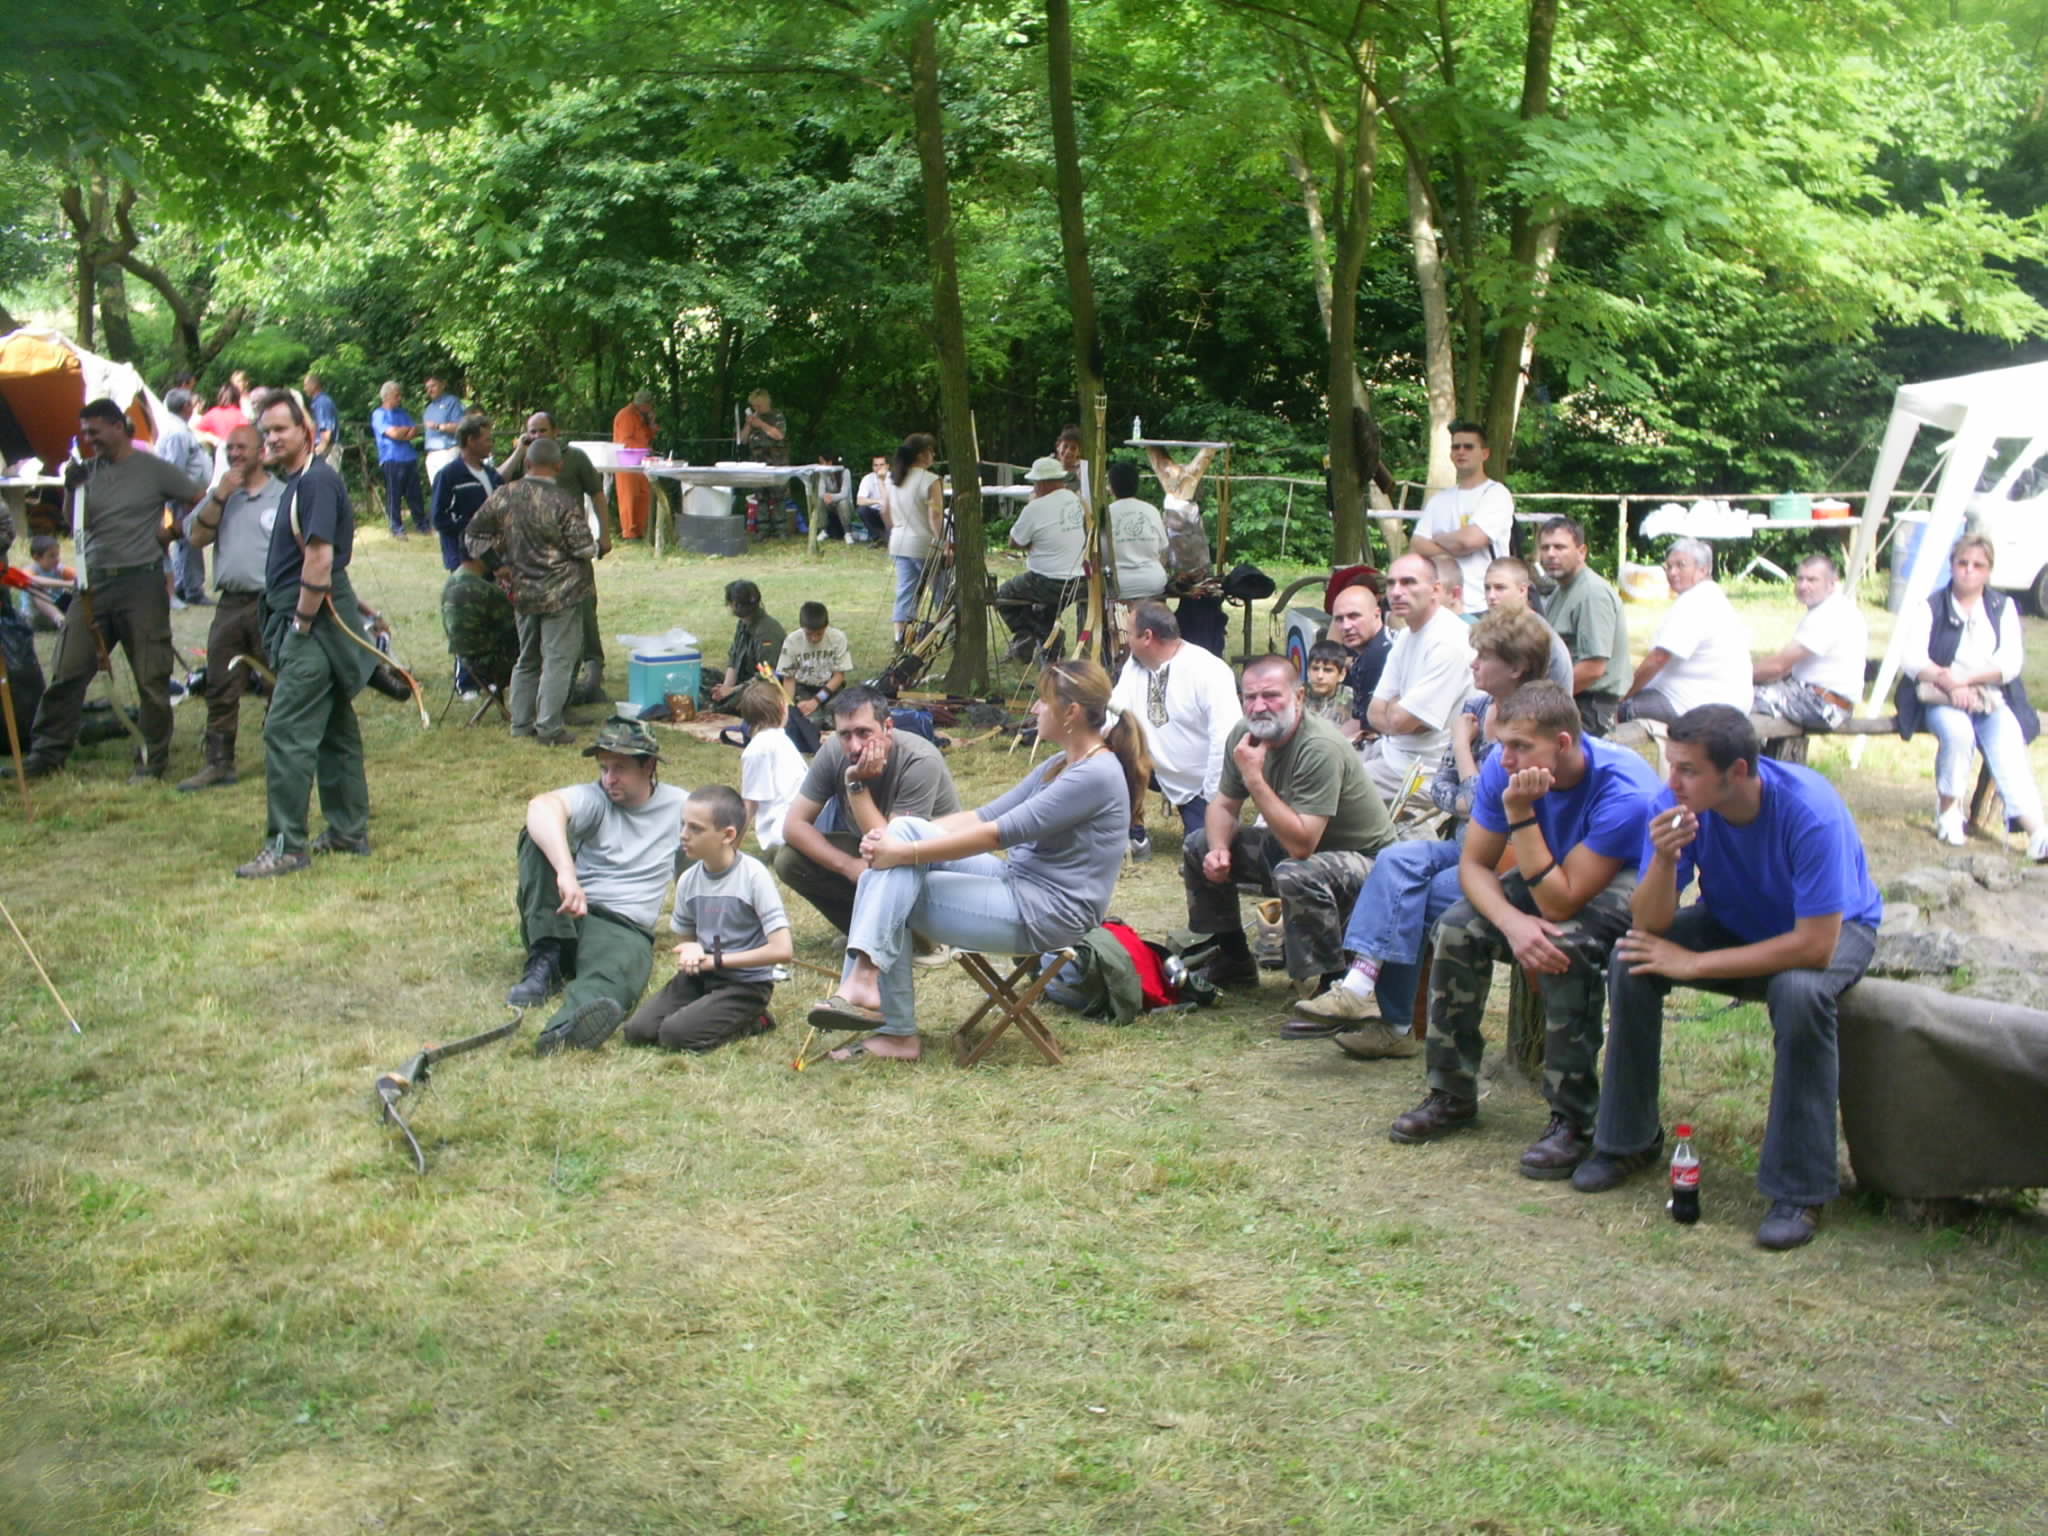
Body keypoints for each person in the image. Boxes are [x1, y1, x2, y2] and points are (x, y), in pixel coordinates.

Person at [1580, 705, 1882, 1251]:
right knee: (1631, 958)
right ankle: (1626, 1141)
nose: (1672, 781)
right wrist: (1664, 861)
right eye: (1671, 765)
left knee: (1798, 991)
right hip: (1735, 918)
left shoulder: (1809, 811)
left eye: (1688, 770)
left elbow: (1815, 946)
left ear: (1737, 771)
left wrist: (1693, 964)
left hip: (1834, 929)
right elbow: (1649, 926)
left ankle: (1800, 1190)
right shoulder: (1674, 805)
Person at [1383, 680, 1663, 1176]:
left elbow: (1561, 901)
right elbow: (1474, 867)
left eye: (1520, 746)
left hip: (1621, 880)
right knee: (1456, 929)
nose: (1504, 758)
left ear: (1562, 743)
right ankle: (1451, 1092)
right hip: (1549, 864)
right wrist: (1512, 923)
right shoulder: (1505, 765)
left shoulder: (1625, 790)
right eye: (1502, 744)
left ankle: (1573, 1117)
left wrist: (1519, 813)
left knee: (1563, 946)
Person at [805, 659, 1147, 1062]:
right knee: (898, 844)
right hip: (1019, 882)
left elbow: (998, 834)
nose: (1035, 708)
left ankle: (885, 1014)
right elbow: (983, 815)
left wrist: (904, 853)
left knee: (889, 882)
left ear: (1070, 712)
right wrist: (894, 839)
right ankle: (868, 987)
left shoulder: (1094, 774)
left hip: (1046, 912)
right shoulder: (1060, 764)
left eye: (1042, 701)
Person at [1289, 606, 1558, 1058]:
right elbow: (1443, 789)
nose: (1472, 664)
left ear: (1515, 666)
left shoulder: (1538, 720)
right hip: (1467, 844)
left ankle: (1393, 1022)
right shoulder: (1476, 707)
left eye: (1483, 657)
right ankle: (1359, 987)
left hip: (1511, 857)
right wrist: (1470, 793)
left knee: (1411, 894)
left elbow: (1488, 802)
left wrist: (1463, 748)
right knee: (1395, 859)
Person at [9, 399, 203, 782]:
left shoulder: (153, 469)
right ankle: (46, 753)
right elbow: (75, 526)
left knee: (151, 676)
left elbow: (200, 498)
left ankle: (152, 758)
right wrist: (71, 490)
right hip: (92, 584)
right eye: (85, 432)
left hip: (141, 582)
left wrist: (175, 532)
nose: (88, 439)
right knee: (68, 670)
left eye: (94, 431)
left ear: (118, 426)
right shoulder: (87, 472)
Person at [1180, 654, 1395, 994]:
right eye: (1250, 697)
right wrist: (1218, 850)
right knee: (1199, 844)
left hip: (1367, 862)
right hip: (1304, 851)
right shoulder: (1244, 734)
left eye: (1271, 695)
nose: (1259, 707)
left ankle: (1331, 983)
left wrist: (1254, 779)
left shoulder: (1318, 746)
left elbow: (1301, 846)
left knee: (1295, 871)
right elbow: (1223, 805)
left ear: (1298, 696)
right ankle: (1233, 958)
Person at [233, 392, 378, 875]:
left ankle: (286, 847)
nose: (272, 438)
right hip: (318, 623)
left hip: (311, 630)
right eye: (266, 431)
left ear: (307, 431)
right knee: (335, 729)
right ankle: (347, 830)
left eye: (281, 429)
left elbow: (319, 559)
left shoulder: (314, 481)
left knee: (285, 732)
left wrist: (299, 625)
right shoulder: (302, 481)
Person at [508, 717, 688, 1054]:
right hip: (567, 915)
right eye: (604, 768)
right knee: (534, 837)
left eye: (620, 768)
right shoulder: (595, 798)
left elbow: (710, 860)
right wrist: (566, 872)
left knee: (613, 975)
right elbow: (541, 807)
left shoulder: (681, 807)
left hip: (622, 925)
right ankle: (546, 958)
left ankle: (565, 1030)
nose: (609, 779)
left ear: (649, 766)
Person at [1897, 532, 2048, 856]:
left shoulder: (2002, 608)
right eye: (1962, 563)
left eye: (1977, 565)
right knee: (1958, 732)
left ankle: (2037, 832)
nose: (1968, 570)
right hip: (1940, 696)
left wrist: (1967, 680)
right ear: (1951, 565)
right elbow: (1912, 659)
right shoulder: (1931, 606)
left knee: (2009, 738)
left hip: (1988, 697)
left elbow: (2009, 664)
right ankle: (1949, 811)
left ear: (1988, 570)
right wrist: (1950, 683)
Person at [774, 684, 961, 935]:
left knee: (887, 864)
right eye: (845, 734)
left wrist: (855, 784)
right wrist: (849, 866)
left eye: (864, 733)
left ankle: (924, 938)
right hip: (876, 850)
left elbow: (893, 846)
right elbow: (793, 825)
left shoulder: (919, 760)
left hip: (926, 860)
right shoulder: (833, 751)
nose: (854, 746)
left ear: (888, 727)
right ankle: (863, 933)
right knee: (790, 860)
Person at [621, 784, 791, 1053]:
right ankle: (706, 1010)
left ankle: (754, 1019)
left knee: (673, 1035)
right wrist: (691, 948)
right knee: (638, 1031)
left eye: (695, 829)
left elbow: (782, 950)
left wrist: (718, 961)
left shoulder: (753, 876)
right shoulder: (688, 880)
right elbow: (686, 938)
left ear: (728, 835)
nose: (683, 835)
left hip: (745, 984)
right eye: (683, 825)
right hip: (701, 977)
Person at [464, 435, 598, 745]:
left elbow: (472, 535)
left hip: (521, 589)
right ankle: (549, 727)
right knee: (558, 659)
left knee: (527, 659)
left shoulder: (504, 494)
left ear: (526, 463)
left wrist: (497, 566)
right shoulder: (563, 500)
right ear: (559, 466)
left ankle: (520, 723)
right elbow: (583, 548)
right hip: (562, 592)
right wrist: (592, 546)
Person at [178, 423, 285, 792]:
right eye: (231, 448)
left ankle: (284, 757)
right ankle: (219, 763)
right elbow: (195, 537)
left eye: (243, 447)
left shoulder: (283, 495)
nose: (236, 454)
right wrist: (221, 495)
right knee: (220, 682)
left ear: (262, 452)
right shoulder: (221, 495)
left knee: (278, 683)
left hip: (272, 603)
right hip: (231, 603)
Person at [1109, 600, 1243, 856]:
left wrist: (1215, 799)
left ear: (1147, 637)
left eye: (1129, 634)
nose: (1127, 641)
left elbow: (1226, 740)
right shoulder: (1134, 665)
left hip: (1199, 784)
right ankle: (1133, 834)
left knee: (1202, 851)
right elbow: (1113, 712)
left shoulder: (1209, 671)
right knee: (1107, 751)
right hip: (1151, 767)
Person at [498, 412, 611, 702]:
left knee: (584, 612)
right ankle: (554, 688)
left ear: (556, 431)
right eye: (532, 431)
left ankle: (592, 672)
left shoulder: (574, 458)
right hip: (534, 556)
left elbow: (597, 494)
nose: (537, 436)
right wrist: (519, 452)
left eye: (542, 430)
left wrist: (605, 534)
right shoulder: (526, 459)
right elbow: (497, 480)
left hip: (573, 551)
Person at [1361, 553, 1474, 803]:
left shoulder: (1449, 642)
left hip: (1424, 773)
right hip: (1390, 751)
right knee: (1318, 767)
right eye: (1391, 583)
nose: (1396, 592)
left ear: (1435, 590)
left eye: (1409, 582)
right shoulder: (1406, 635)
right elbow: (1374, 712)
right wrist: (1403, 714)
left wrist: (1399, 711)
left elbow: (1400, 721)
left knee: (1327, 790)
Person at [1618, 538, 1753, 723]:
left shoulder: (1695, 602)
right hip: (1727, 701)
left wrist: (1622, 695)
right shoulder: (1711, 594)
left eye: (1681, 565)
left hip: (1699, 705)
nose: (1672, 572)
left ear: (1703, 570)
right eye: (1668, 567)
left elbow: (1658, 658)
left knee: (1612, 709)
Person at [1405, 419, 1514, 617]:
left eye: (1469, 447)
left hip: (1486, 605)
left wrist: (1438, 539)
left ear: (1485, 454)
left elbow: (1470, 540)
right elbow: (1417, 545)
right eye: (1456, 447)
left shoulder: (1496, 494)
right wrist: (1458, 544)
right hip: (1443, 607)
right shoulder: (1439, 500)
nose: (1461, 452)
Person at [1750, 553, 1868, 732]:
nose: (1803, 585)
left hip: (1822, 706)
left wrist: (1737, 676)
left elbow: (1779, 666)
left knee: (1734, 696)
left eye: (1812, 580)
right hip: (1823, 701)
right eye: (1800, 579)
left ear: (1832, 583)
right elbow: (1787, 668)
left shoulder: (1829, 614)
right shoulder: (1837, 607)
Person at [1537, 517, 1628, 738]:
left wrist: (1541, 700)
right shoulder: (1560, 591)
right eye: (1545, 548)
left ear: (1581, 551)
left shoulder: (1592, 594)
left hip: (1590, 708)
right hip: (1569, 698)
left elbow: (1593, 668)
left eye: (1560, 547)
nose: (1551, 554)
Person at [997, 456, 1088, 663]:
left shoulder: (1035, 508)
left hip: (1048, 580)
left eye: (1035, 482)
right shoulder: (1075, 499)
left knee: (1003, 595)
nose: (1034, 487)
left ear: (1042, 483)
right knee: (1046, 609)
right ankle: (1047, 648)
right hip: (1078, 580)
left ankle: (1036, 633)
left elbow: (1014, 542)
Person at [156, 386, 214, 608]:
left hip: (188, 495)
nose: (194, 407)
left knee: (186, 541)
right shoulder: (177, 433)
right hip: (186, 497)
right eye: (191, 403)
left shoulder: (178, 429)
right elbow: (176, 468)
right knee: (190, 540)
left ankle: (184, 585)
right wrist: (187, 495)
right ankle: (192, 588)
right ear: (185, 406)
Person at [885, 433, 944, 646]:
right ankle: (951, 631)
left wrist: (894, 529)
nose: (933, 455)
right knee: (942, 590)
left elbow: (884, 511)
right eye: (931, 451)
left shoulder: (894, 478)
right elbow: (935, 516)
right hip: (923, 544)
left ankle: (900, 636)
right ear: (921, 455)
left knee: (905, 591)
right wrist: (944, 542)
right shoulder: (930, 480)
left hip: (898, 541)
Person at [1482, 556, 1574, 690]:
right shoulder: (1502, 629)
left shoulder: (1537, 635)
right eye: (1487, 588)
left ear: (1522, 590)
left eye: (1500, 588)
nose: (1491, 596)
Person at [736, 679, 807, 852]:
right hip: (786, 829)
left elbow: (750, 802)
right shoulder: (762, 748)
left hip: (796, 822)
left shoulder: (773, 741)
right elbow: (750, 803)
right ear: (783, 708)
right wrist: (732, 847)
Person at [440, 552, 519, 704]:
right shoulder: (487, 590)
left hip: (465, 662)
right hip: (492, 664)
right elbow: (515, 627)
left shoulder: (450, 583)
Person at [429, 415, 500, 574]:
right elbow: (438, 518)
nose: (491, 444)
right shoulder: (448, 475)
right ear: (470, 440)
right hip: (462, 559)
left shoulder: (490, 474)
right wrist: (471, 526)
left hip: (490, 558)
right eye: (487, 440)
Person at [704, 579, 786, 709]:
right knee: (703, 674)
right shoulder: (744, 623)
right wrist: (726, 687)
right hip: (744, 682)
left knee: (735, 702)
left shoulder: (767, 632)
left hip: (764, 686)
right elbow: (734, 659)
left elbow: (768, 674)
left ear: (735, 605)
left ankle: (719, 706)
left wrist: (732, 691)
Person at [1328, 576, 1390, 742]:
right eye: (1339, 619)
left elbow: (1365, 728)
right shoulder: (1381, 643)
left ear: (1377, 614)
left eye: (1354, 616)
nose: (1346, 626)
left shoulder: (1376, 657)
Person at [1106, 459, 1170, 602]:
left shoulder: (1106, 514)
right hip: (1153, 583)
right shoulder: (1151, 510)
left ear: (1111, 487)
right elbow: (1163, 547)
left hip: (1119, 586)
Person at [775, 601, 851, 717]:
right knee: (810, 720)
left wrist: (816, 700)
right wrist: (788, 708)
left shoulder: (838, 638)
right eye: (809, 634)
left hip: (830, 686)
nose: (814, 638)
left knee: (838, 717)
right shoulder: (792, 641)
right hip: (803, 687)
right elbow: (789, 678)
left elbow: (839, 676)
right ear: (802, 627)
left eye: (819, 633)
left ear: (826, 626)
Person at [370, 381, 426, 537]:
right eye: (397, 395)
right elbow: (393, 433)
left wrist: (401, 433)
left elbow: (414, 430)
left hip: (409, 457)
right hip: (391, 459)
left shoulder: (402, 413)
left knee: (415, 494)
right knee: (394, 495)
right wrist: (403, 432)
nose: (400, 398)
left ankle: (422, 524)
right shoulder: (379, 415)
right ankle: (396, 527)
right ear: (387, 396)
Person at [739, 388, 790, 534]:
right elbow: (742, 440)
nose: (756, 408)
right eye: (753, 405)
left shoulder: (777, 416)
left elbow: (779, 435)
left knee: (778, 496)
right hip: (757, 462)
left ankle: (781, 529)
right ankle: (762, 528)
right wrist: (748, 424)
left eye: (758, 405)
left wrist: (761, 424)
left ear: (766, 403)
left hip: (776, 461)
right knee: (760, 496)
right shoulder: (753, 418)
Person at [612, 389, 657, 541]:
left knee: (643, 495)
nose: (651, 408)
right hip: (627, 461)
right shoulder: (626, 415)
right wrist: (644, 449)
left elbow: (649, 436)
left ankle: (641, 531)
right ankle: (629, 533)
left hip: (641, 461)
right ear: (644, 404)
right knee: (629, 497)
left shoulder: (642, 416)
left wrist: (651, 423)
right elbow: (625, 441)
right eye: (650, 405)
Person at [20, 536, 76, 629]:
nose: (57, 559)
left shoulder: (59, 569)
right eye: (52, 556)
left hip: (55, 611)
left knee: (74, 593)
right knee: (35, 589)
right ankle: (60, 620)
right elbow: (30, 580)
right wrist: (67, 583)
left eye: (57, 555)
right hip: (34, 616)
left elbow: (78, 578)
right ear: (36, 557)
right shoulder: (30, 569)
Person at [421, 375, 466, 485]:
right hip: (431, 455)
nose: (430, 390)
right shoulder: (429, 408)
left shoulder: (452, 402)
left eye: (433, 386)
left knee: (450, 488)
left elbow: (461, 426)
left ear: (442, 385)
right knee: (437, 491)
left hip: (448, 452)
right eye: (427, 388)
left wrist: (438, 426)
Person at [1303, 639, 1354, 723]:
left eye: (1328, 670)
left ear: (1342, 674)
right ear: (1308, 671)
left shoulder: (1354, 700)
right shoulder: (1297, 696)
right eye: (1315, 669)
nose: (1320, 676)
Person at [304, 373, 341, 465]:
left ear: (314, 385)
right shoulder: (318, 402)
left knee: (326, 474)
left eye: (306, 385)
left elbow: (326, 432)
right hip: (325, 449)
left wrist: (317, 453)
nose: (304, 389)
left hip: (327, 450)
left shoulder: (322, 403)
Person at [854, 453, 890, 545]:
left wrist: (881, 480)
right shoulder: (867, 479)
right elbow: (859, 501)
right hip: (875, 512)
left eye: (881, 465)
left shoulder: (894, 478)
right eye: (875, 465)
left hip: (891, 513)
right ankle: (877, 537)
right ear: (872, 467)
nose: (878, 468)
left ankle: (887, 536)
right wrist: (877, 501)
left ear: (887, 466)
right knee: (862, 510)